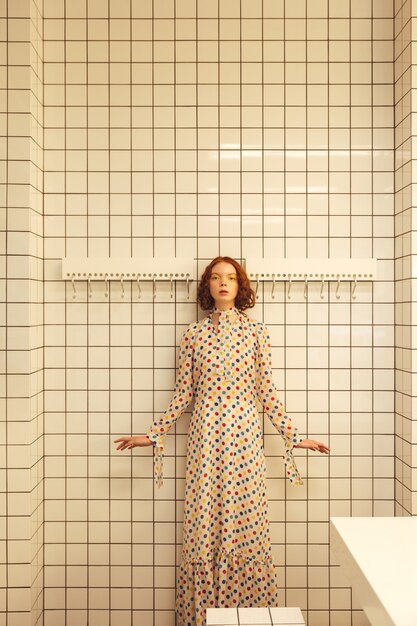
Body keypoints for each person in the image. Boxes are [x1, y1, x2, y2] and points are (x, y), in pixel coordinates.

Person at [114, 256, 330, 626]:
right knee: (203, 522)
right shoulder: (194, 335)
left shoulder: (256, 332)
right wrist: (153, 434)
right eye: (216, 277)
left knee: (247, 520)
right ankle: (202, 618)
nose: (223, 283)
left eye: (230, 277)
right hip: (205, 442)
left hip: (245, 439)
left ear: (240, 286)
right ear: (207, 286)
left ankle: (248, 617)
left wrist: (294, 437)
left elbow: (266, 392)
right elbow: (183, 395)